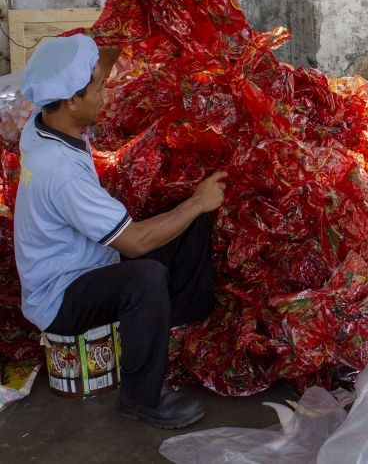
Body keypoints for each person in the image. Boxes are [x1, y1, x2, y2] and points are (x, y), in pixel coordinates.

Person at [13, 34, 227, 429]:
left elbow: (92, 70)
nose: (105, 92)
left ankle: (172, 336)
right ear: (73, 100)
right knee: (145, 278)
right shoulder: (57, 171)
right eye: (97, 88)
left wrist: (126, 30)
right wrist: (199, 200)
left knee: (183, 224)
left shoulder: (46, 122)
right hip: (59, 297)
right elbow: (135, 241)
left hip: (85, 262)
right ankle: (141, 397)